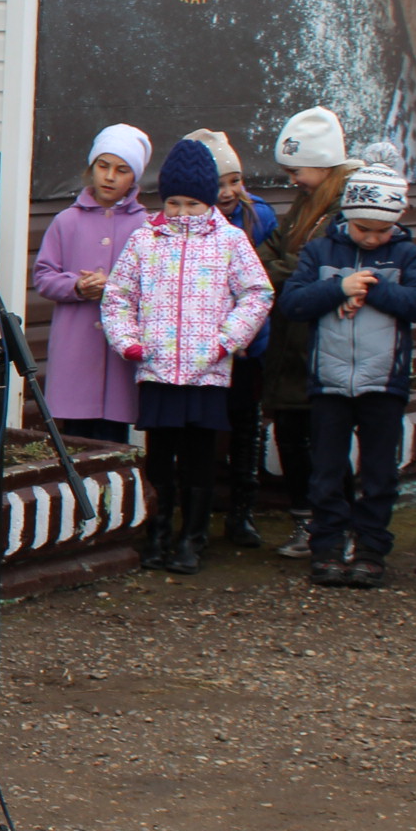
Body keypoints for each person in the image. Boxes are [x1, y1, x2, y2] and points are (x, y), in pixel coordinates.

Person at [101, 138, 273, 572]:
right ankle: (156, 535)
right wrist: (129, 342)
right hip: (158, 368)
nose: (181, 212)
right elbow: (118, 296)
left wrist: (225, 341)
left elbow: (257, 294)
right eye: (173, 202)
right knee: (159, 458)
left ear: (209, 202)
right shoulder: (145, 240)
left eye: (192, 204)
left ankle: (192, 539)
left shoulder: (231, 241)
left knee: (199, 459)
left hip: (206, 371)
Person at [276, 159, 416, 588]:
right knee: (326, 470)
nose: (374, 237)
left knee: (380, 472)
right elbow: (293, 302)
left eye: (383, 230)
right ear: (347, 215)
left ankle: (370, 549)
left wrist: (374, 287)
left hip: (385, 382)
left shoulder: (406, 254)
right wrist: (339, 288)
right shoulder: (321, 250)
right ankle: (326, 547)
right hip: (328, 381)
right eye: (364, 229)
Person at [259, 107, 361, 557]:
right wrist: (266, 269)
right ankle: (306, 521)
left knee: (325, 439)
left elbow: (307, 265)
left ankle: (339, 523)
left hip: (321, 342)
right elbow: (275, 249)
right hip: (288, 340)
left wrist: (263, 275)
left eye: (296, 170)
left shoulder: (344, 210)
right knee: (291, 434)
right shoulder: (305, 204)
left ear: (322, 163)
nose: (292, 179)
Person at [188, 129, 279, 546]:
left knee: (246, 428)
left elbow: (266, 281)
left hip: (248, 348)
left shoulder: (259, 216)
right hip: (204, 349)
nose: (227, 191)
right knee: (202, 432)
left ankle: (242, 512)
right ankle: (197, 516)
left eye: (235, 180)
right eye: (218, 182)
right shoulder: (186, 217)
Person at [33, 124, 149, 440]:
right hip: (75, 350)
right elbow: (43, 277)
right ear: (91, 168)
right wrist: (77, 286)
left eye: (122, 170)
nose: (110, 176)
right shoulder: (67, 221)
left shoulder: (144, 226)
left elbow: (152, 285)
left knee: (112, 443)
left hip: (119, 354)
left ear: (133, 178)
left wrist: (114, 287)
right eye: (103, 166)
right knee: (75, 439)